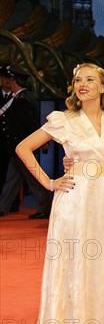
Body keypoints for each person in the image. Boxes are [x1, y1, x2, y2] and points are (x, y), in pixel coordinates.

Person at [16, 63, 104, 324]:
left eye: (90, 80)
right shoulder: (63, 120)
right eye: (78, 80)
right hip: (74, 200)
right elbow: (23, 148)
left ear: (103, 87)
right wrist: (49, 183)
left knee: (99, 269)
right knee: (74, 267)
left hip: (103, 202)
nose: (82, 85)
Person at [0, 66, 51, 218]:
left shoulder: (23, 100)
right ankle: (2, 207)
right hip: (16, 147)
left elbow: (30, 124)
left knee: (33, 179)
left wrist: (41, 142)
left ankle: (46, 208)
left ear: (16, 82)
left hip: (22, 147)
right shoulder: (21, 98)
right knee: (12, 178)